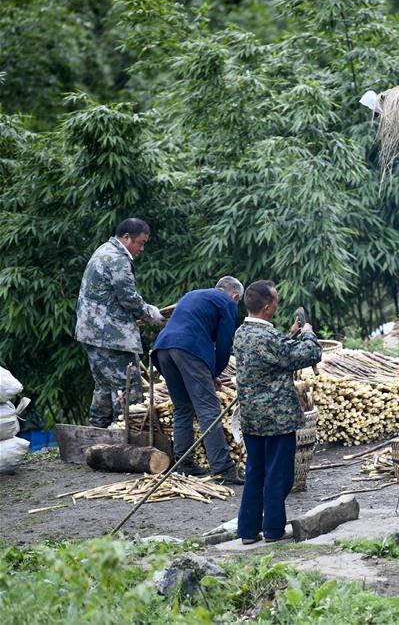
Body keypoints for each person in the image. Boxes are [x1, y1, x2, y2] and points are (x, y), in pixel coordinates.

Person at [234, 280, 321, 544]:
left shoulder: (241, 333)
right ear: (268, 306)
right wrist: (307, 333)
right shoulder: (268, 338)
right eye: (276, 301)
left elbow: (274, 354)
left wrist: (291, 334)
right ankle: (273, 529)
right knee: (278, 476)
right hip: (277, 420)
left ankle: (248, 531)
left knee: (255, 473)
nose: (277, 304)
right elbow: (308, 354)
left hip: (251, 418)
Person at [152, 276, 245, 484]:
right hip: (189, 349)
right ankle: (223, 468)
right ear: (235, 295)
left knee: (182, 407)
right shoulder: (228, 303)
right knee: (208, 409)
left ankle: (183, 464)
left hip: (163, 349)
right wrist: (215, 374)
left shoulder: (193, 295)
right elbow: (223, 345)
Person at [75, 218, 164, 427]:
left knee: (104, 386)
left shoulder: (104, 250)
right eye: (140, 243)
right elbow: (128, 297)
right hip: (111, 336)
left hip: (92, 332)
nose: (141, 249)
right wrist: (149, 313)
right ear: (126, 237)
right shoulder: (117, 258)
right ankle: (123, 437)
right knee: (127, 386)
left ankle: (96, 434)